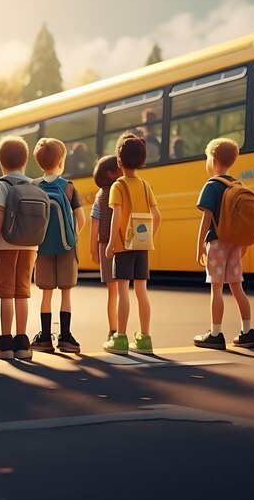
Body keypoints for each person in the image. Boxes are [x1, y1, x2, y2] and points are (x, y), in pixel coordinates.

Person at [194, 137, 254, 349]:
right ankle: (247, 332)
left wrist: (199, 248)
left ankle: (215, 333)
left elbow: (206, 220)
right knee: (237, 288)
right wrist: (244, 246)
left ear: (212, 160)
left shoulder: (211, 186)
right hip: (235, 244)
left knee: (217, 289)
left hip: (218, 243)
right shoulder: (237, 185)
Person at [104, 133, 162, 354]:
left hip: (123, 246)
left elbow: (116, 216)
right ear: (142, 161)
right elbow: (157, 216)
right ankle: (145, 339)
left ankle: (120, 338)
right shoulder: (146, 185)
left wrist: (111, 244)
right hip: (141, 245)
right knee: (141, 290)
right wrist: (148, 238)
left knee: (123, 291)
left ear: (119, 161)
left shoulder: (117, 186)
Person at [30, 138, 85, 353]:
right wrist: (72, 237)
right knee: (66, 293)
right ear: (61, 161)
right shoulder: (68, 187)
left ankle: (44, 337)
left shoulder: (34, 186)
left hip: (42, 249)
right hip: (66, 247)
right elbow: (82, 219)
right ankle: (66, 338)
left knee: (46, 294)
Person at [0, 136, 37, 360]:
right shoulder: (32, 184)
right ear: (25, 161)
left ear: (1, 161)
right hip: (30, 246)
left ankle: (5, 343)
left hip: (5, 245)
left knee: (6, 292)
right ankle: (23, 342)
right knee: (22, 292)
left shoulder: (2, 185)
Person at [90, 155, 122, 341]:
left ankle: (113, 329)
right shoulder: (121, 191)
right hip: (122, 244)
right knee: (122, 289)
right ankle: (121, 329)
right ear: (111, 174)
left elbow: (95, 224)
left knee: (113, 291)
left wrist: (93, 250)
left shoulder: (100, 196)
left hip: (104, 245)